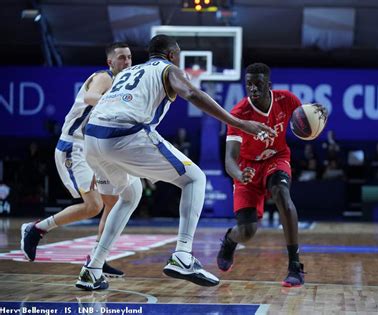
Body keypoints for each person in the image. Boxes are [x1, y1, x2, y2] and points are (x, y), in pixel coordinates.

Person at [76, 35, 275, 291]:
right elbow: (191, 92)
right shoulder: (169, 69)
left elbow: (101, 108)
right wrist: (238, 123)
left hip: (91, 138)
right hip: (123, 134)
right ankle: (182, 254)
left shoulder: (130, 71)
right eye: (178, 55)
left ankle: (92, 268)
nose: (180, 60)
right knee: (195, 178)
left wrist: (98, 154)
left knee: (130, 194)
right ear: (171, 55)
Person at [20, 42, 132, 278]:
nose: (126, 62)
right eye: (121, 58)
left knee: (113, 203)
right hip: (76, 146)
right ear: (110, 62)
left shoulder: (124, 86)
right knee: (94, 206)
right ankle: (37, 229)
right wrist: (112, 103)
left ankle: (97, 258)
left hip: (97, 148)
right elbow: (92, 96)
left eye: (129, 58)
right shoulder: (104, 77)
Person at [216, 63, 327, 287]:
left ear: (269, 85)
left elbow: (309, 114)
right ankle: (230, 240)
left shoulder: (287, 100)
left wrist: (320, 112)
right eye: (248, 84)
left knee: (282, 195)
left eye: (258, 84)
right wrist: (240, 174)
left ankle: (295, 265)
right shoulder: (239, 114)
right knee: (248, 232)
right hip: (247, 167)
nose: (253, 88)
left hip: (277, 158)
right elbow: (229, 160)